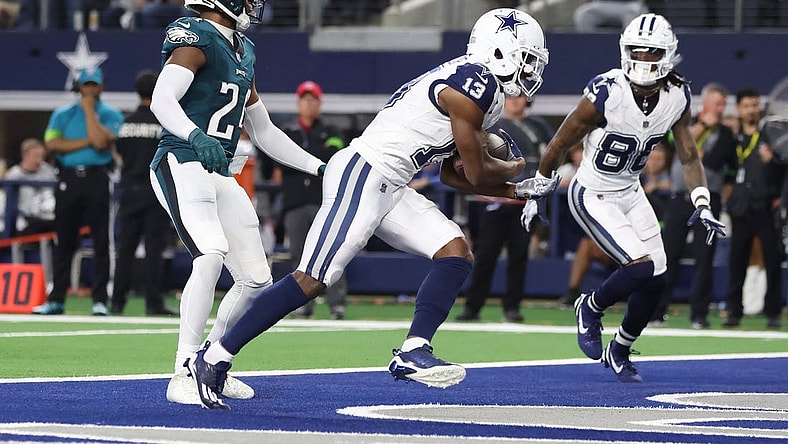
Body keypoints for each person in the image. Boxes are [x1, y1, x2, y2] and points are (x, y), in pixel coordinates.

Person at [190, 7, 559, 409]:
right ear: (500, 49)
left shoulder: (479, 89)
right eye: (527, 55)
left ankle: (413, 350)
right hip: (365, 173)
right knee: (313, 279)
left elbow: (454, 176)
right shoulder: (475, 81)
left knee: (455, 250)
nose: (531, 67)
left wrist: (517, 189)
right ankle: (213, 356)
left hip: (391, 183)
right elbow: (474, 169)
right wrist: (515, 168)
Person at [525, 13, 725, 382]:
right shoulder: (606, 93)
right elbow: (559, 143)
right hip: (594, 192)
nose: (644, 59)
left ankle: (619, 348)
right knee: (641, 266)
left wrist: (702, 201)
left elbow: (687, 153)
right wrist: (538, 188)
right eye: (637, 51)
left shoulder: (677, 95)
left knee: (657, 279)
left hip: (632, 191)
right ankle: (590, 305)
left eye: (652, 53)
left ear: (667, 55)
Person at [146, 0, 328, 405]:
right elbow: (162, 100)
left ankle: (209, 363)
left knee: (256, 279)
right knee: (210, 253)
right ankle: (182, 371)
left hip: (218, 169)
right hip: (180, 158)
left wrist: (320, 168)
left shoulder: (242, 48)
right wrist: (194, 136)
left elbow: (263, 130)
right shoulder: (198, 37)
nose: (252, 4)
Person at [32, 66, 123, 316]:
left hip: (97, 179)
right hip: (68, 180)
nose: (90, 90)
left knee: (101, 241)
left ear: (101, 87)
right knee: (64, 241)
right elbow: (51, 144)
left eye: (94, 85)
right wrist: (87, 141)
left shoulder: (110, 114)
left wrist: (88, 112)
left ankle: (100, 300)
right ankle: (57, 299)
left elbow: (103, 142)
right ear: (78, 86)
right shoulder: (62, 114)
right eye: (86, 85)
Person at [455, 95, 553, 323]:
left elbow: (552, 155)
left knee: (519, 255)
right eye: (512, 97)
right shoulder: (490, 123)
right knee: (485, 254)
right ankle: (472, 306)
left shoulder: (537, 125)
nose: (516, 101)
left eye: (521, 97)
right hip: (493, 199)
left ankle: (512, 308)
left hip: (525, 201)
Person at [651, 83, 737, 329]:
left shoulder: (726, 133)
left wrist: (697, 146)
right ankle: (657, 311)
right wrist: (702, 127)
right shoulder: (685, 122)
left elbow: (713, 161)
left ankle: (698, 315)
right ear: (706, 103)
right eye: (717, 103)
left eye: (723, 104)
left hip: (709, 200)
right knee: (667, 254)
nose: (720, 109)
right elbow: (675, 144)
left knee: (704, 257)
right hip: (680, 198)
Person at [109, 70, 178, 317]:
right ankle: (153, 302)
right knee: (154, 249)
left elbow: (119, 153)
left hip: (129, 189)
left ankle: (117, 303)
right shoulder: (163, 121)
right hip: (155, 190)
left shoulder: (125, 124)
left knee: (125, 248)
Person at [281, 80, 349, 321]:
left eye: (313, 99)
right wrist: (316, 155)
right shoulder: (287, 131)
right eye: (304, 99)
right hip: (296, 202)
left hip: (325, 202)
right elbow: (282, 161)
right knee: (298, 254)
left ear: (319, 103)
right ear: (298, 103)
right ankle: (303, 304)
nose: (309, 104)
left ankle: (337, 304)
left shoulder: (332, 131)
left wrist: (301, 156)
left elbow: (335, 156)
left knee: (333, 252)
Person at [723, 88, 785, 329]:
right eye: (747, 105)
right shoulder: (733, 138)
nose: (752, 109)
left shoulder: (771, 134)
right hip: (740, 208)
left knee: (772, 259)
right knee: (736, 261)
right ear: (738, 109)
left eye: (755, 105)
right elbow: (724, 169)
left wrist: (775, 160)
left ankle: (773, 313)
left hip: (765, 206)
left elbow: (786, 164)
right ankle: (733, 312)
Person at [4, 138, 57, 236]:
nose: (40, 159)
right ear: (25, 156)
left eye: (42, 156)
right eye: (36, 156)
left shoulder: (48, 171)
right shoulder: (14, 175)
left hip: (47, 216)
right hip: (24, 218)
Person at [573, 0, 648, 32]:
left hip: (630, 4)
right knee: (585, 14)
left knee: (632, 14)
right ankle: (588, 45)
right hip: (603, 3)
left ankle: (629, 48)